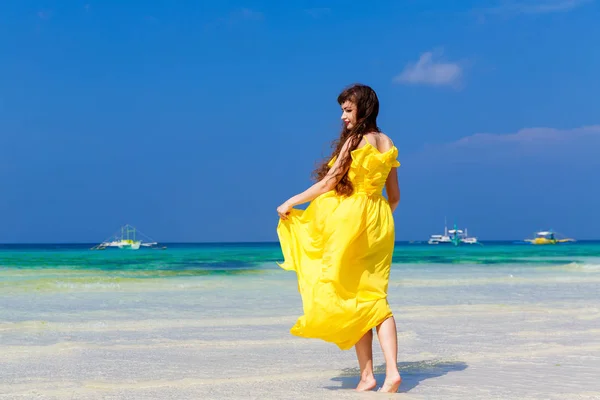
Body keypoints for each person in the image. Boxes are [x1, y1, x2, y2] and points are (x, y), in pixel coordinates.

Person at [276, 83, 402, 393]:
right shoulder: (388, 143)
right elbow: (395, 197)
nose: (342, 116)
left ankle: (371, 375)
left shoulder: (355, 141)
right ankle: (380, 374)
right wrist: (375, 219)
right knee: (373, 297)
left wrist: (292, 201)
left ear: (363, 110)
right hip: (380, 222)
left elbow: (328, 183)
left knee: (349, 294)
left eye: (348, 110)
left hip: (351, 222)